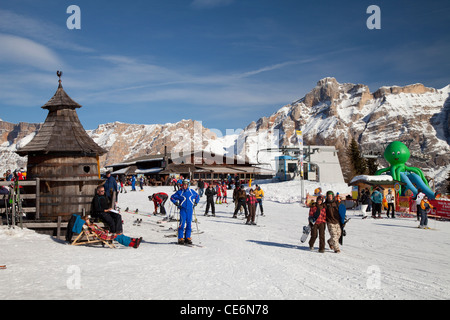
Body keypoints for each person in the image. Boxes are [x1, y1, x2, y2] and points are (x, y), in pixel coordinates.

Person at [170, 179, 199, 245]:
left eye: (186, 185)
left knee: (189, 224)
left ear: (188, 185)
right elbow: (172, 197)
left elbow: (197, 196)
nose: (185, 186)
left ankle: (187, 237)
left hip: (190, 210)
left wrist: (195, 203)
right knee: (182, 224)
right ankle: (180, 238)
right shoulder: (180, 192)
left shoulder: (191, 192)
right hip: (183, 209)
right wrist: (176, 203)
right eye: (184, 185)